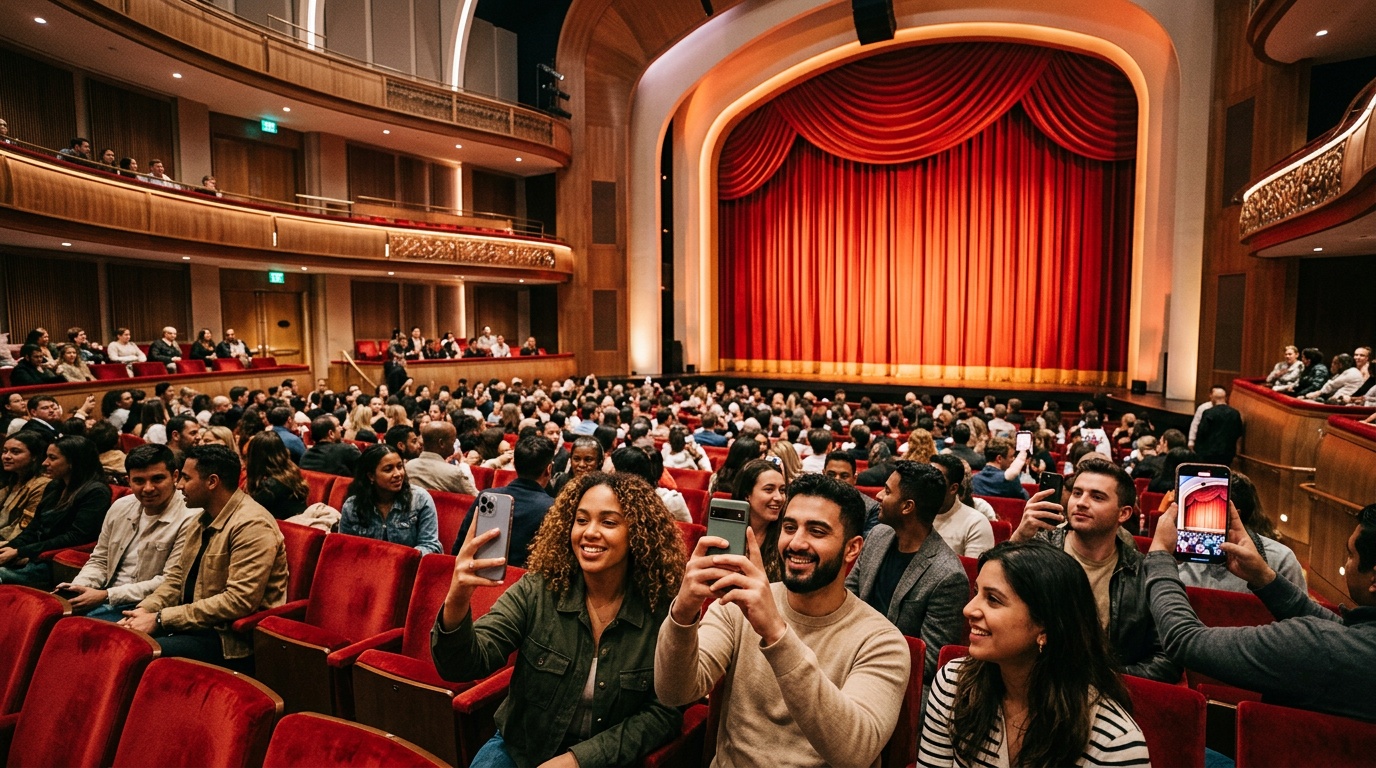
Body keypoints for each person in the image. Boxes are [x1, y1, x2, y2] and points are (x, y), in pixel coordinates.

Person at [656, 473, 911, 767]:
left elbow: (854, 753)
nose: (796, 543)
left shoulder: (882, 641)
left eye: (817, 531)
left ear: (852, 548)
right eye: (790, 527)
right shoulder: (736, 605)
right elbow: (674, 691)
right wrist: (684, 612)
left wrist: (776, 633)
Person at [435, 472, 685, 765]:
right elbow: (462, 664)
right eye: (581, 520)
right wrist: (458, 597)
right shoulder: (538, 589)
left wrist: (579, 760)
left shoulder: (662, 610)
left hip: (605, 759)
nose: (589, 532)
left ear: (638, 534)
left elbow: (664, 714)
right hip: (521, 749)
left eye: (608, 522)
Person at [919, 541, 1151, 768]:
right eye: (977, 592)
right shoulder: (954, 683)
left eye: (993, 599)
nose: (968, 609)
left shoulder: (1115, 742)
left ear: (1045, 627)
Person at [1145, 499, 1376, 722]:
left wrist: (1160, 557)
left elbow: (1183, 640)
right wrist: (1264, 578)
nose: (1347, 564)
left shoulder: (1318, 646)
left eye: (1350, 555)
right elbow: (1340, 631)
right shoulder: (1350, 643)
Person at [119, 444, 289, 666]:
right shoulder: (202, 518)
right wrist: (144, 610)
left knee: (136, 655)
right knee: (121, 638)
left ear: (212, 482)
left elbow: (238, 601)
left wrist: (160, 619)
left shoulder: (252, 525)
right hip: (192, 624)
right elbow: (177, 579)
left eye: (186, 478)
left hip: (227, 638)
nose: (179, 485)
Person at [1011, 461, 1179, 682]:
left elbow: (1167, 660)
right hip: (1031, 681)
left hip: (1107, 695)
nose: (1081, 503)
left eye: (1097, 497)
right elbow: (990, 612)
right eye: (1077, 493)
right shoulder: (1037, 549)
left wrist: (1106, 681)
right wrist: (1018, 540)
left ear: (1124, 513)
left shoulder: (1144, 573)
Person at [847, 461, 967, 684]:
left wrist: (865, 659)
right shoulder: (877, 535)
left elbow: (930, 661)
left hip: (893, 678)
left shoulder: (948, 576)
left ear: (907, 507)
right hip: (849, 652)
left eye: (888, 491)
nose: (879, 496)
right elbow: (846, 597)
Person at [59, 445, 197, 622]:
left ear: (175, 477)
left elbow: (169, 582)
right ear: (128, 480)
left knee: (74, 629)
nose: (148, 488)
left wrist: (106, 595)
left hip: (145, 606)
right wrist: (80, 586)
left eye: (157, 479)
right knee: (47, 615)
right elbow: (100, 559)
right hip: (103, 594)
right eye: (139, 481)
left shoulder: (190, 517)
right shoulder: (121, 506)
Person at [0, 436, 111, 587]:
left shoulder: (96, 492)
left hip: (55, 561)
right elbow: (34, 527)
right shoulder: (54, 486)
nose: (45, 463)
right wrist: (11, 547)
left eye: (52, 458)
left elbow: (75, 537)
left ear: (72, 462)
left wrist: (21, 551)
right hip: (36, 553)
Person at [1176, 471, 1304, 593]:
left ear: (1233, 515)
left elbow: (1303, 615)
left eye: (1208, 511)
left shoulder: (1281, 560)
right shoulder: (1179, 554)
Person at [454, 435, 557, 566]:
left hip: (478, 578)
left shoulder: (487, 496)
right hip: (525, 584)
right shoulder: (553, 508)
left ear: (514, 464)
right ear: (549, 469)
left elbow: (460, 548)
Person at [339, 444, 441, 554]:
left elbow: (430, 545)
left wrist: (397, 560)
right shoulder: (353, 506)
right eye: (388, 469)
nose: (398, 474)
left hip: (410, 568)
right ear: (371, 476)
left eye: (400, 466)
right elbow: (344, 548)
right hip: (367, 567)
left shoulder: (420, 499)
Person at [929, 453, 996, 557]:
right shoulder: (914, 514)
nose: (927, 485)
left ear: (953, 488)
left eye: (935, 481)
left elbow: (973, 571)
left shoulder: (976, 523)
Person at [0, 432, 52, 543]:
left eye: (15, 452)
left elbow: (23, 530)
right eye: (4, 451)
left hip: (14, 546)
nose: (6, 456)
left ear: (34, 456)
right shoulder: (10, 481)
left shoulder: (42, 484)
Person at [244, 432, 309, 520]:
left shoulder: (268, 488)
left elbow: (248, 515)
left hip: (284, 530)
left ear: (254, 457)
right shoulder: (291, 474)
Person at [407, 421, 477, 495]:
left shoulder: (408, 467)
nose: (455, 444)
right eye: (453, 440)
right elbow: (477, 498)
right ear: (441, 443)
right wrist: (463, 464)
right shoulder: (454, 473)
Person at [822, 451, 882, 534]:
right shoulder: (810, 502)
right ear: (823, 474)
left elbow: (869, 544)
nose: (837, 480)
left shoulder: (872, 509)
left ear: (855, 478)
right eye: (831, 475)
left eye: (844, 476)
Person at [1193, 386, 1243, 466]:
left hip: (1208, 454)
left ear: (1212, 398)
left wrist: (1196, 451)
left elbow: (1202, 432)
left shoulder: (1208, 413)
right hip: (1227, 454)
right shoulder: (1235, 413)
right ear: (1226, 398)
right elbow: (1238, 433)